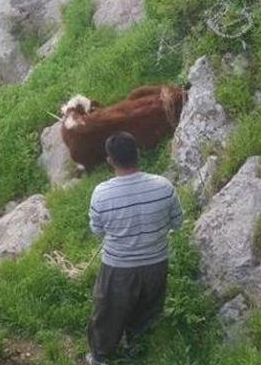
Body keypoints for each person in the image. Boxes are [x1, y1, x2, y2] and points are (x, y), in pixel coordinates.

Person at [86, 132, 183, 365]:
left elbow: (97, 230)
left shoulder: (101, 194)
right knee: (148, 310)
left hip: (118, 268)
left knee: (108, 313)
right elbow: (177, 223)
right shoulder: (164, 186)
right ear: (138, 154)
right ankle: (138, 349)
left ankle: (100, 357)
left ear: (110, 161)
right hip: (157, 263)